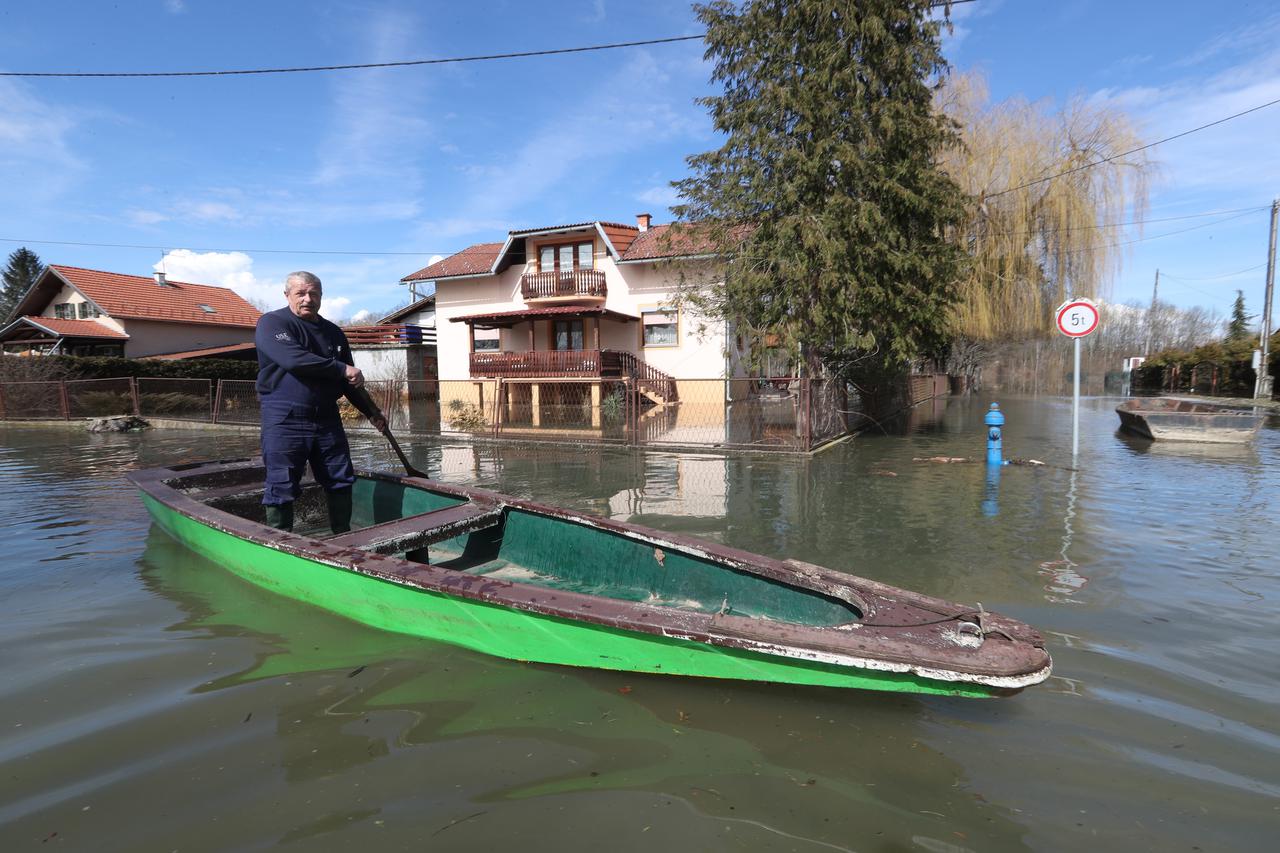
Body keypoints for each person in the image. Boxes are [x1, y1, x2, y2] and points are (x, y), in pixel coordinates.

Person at [254, 271, 385, 533]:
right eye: (300, 293)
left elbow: (350, 381)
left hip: (326, 416)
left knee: (340, 477)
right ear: (287, 295)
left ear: (321, 296)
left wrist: (372, 412)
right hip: (285, 417)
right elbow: (294, 360)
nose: (307, 299)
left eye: (314, 293)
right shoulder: (272, 323)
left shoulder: (333, 332)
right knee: (282, 484)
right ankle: (282, 545)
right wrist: (340, 369)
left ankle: (343, 540)